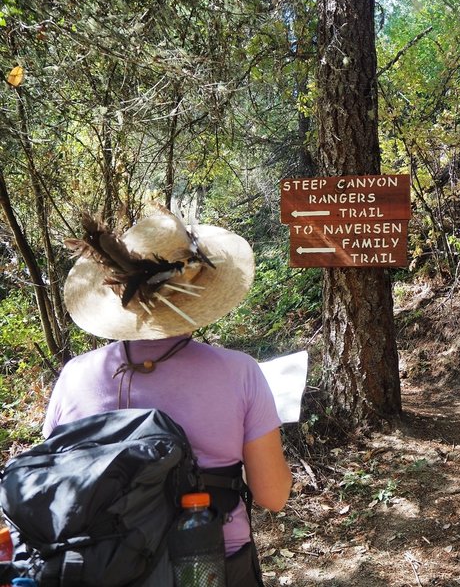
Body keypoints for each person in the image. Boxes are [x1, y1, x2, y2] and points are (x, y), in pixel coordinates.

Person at [43, 211, 293, 587]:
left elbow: (53, 484)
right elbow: (273, 495)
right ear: (200, 290)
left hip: (99, 568)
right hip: (209, 567)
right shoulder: (240, 372)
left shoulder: (76, 374)